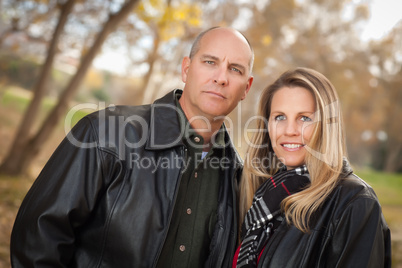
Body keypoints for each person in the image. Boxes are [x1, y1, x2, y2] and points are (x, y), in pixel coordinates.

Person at [10, 26, 254, 268]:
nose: (221, 78)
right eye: (210, 62)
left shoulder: (239, 180)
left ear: (247, 87)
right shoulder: (105, 133)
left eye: (235, 69)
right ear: (186, 69)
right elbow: (38, 239)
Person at [234, 67, 391, 267]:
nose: (290, 130)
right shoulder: (265, 195)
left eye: (305, 118)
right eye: (280, 117)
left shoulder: (356, 202)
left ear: (326, 126)